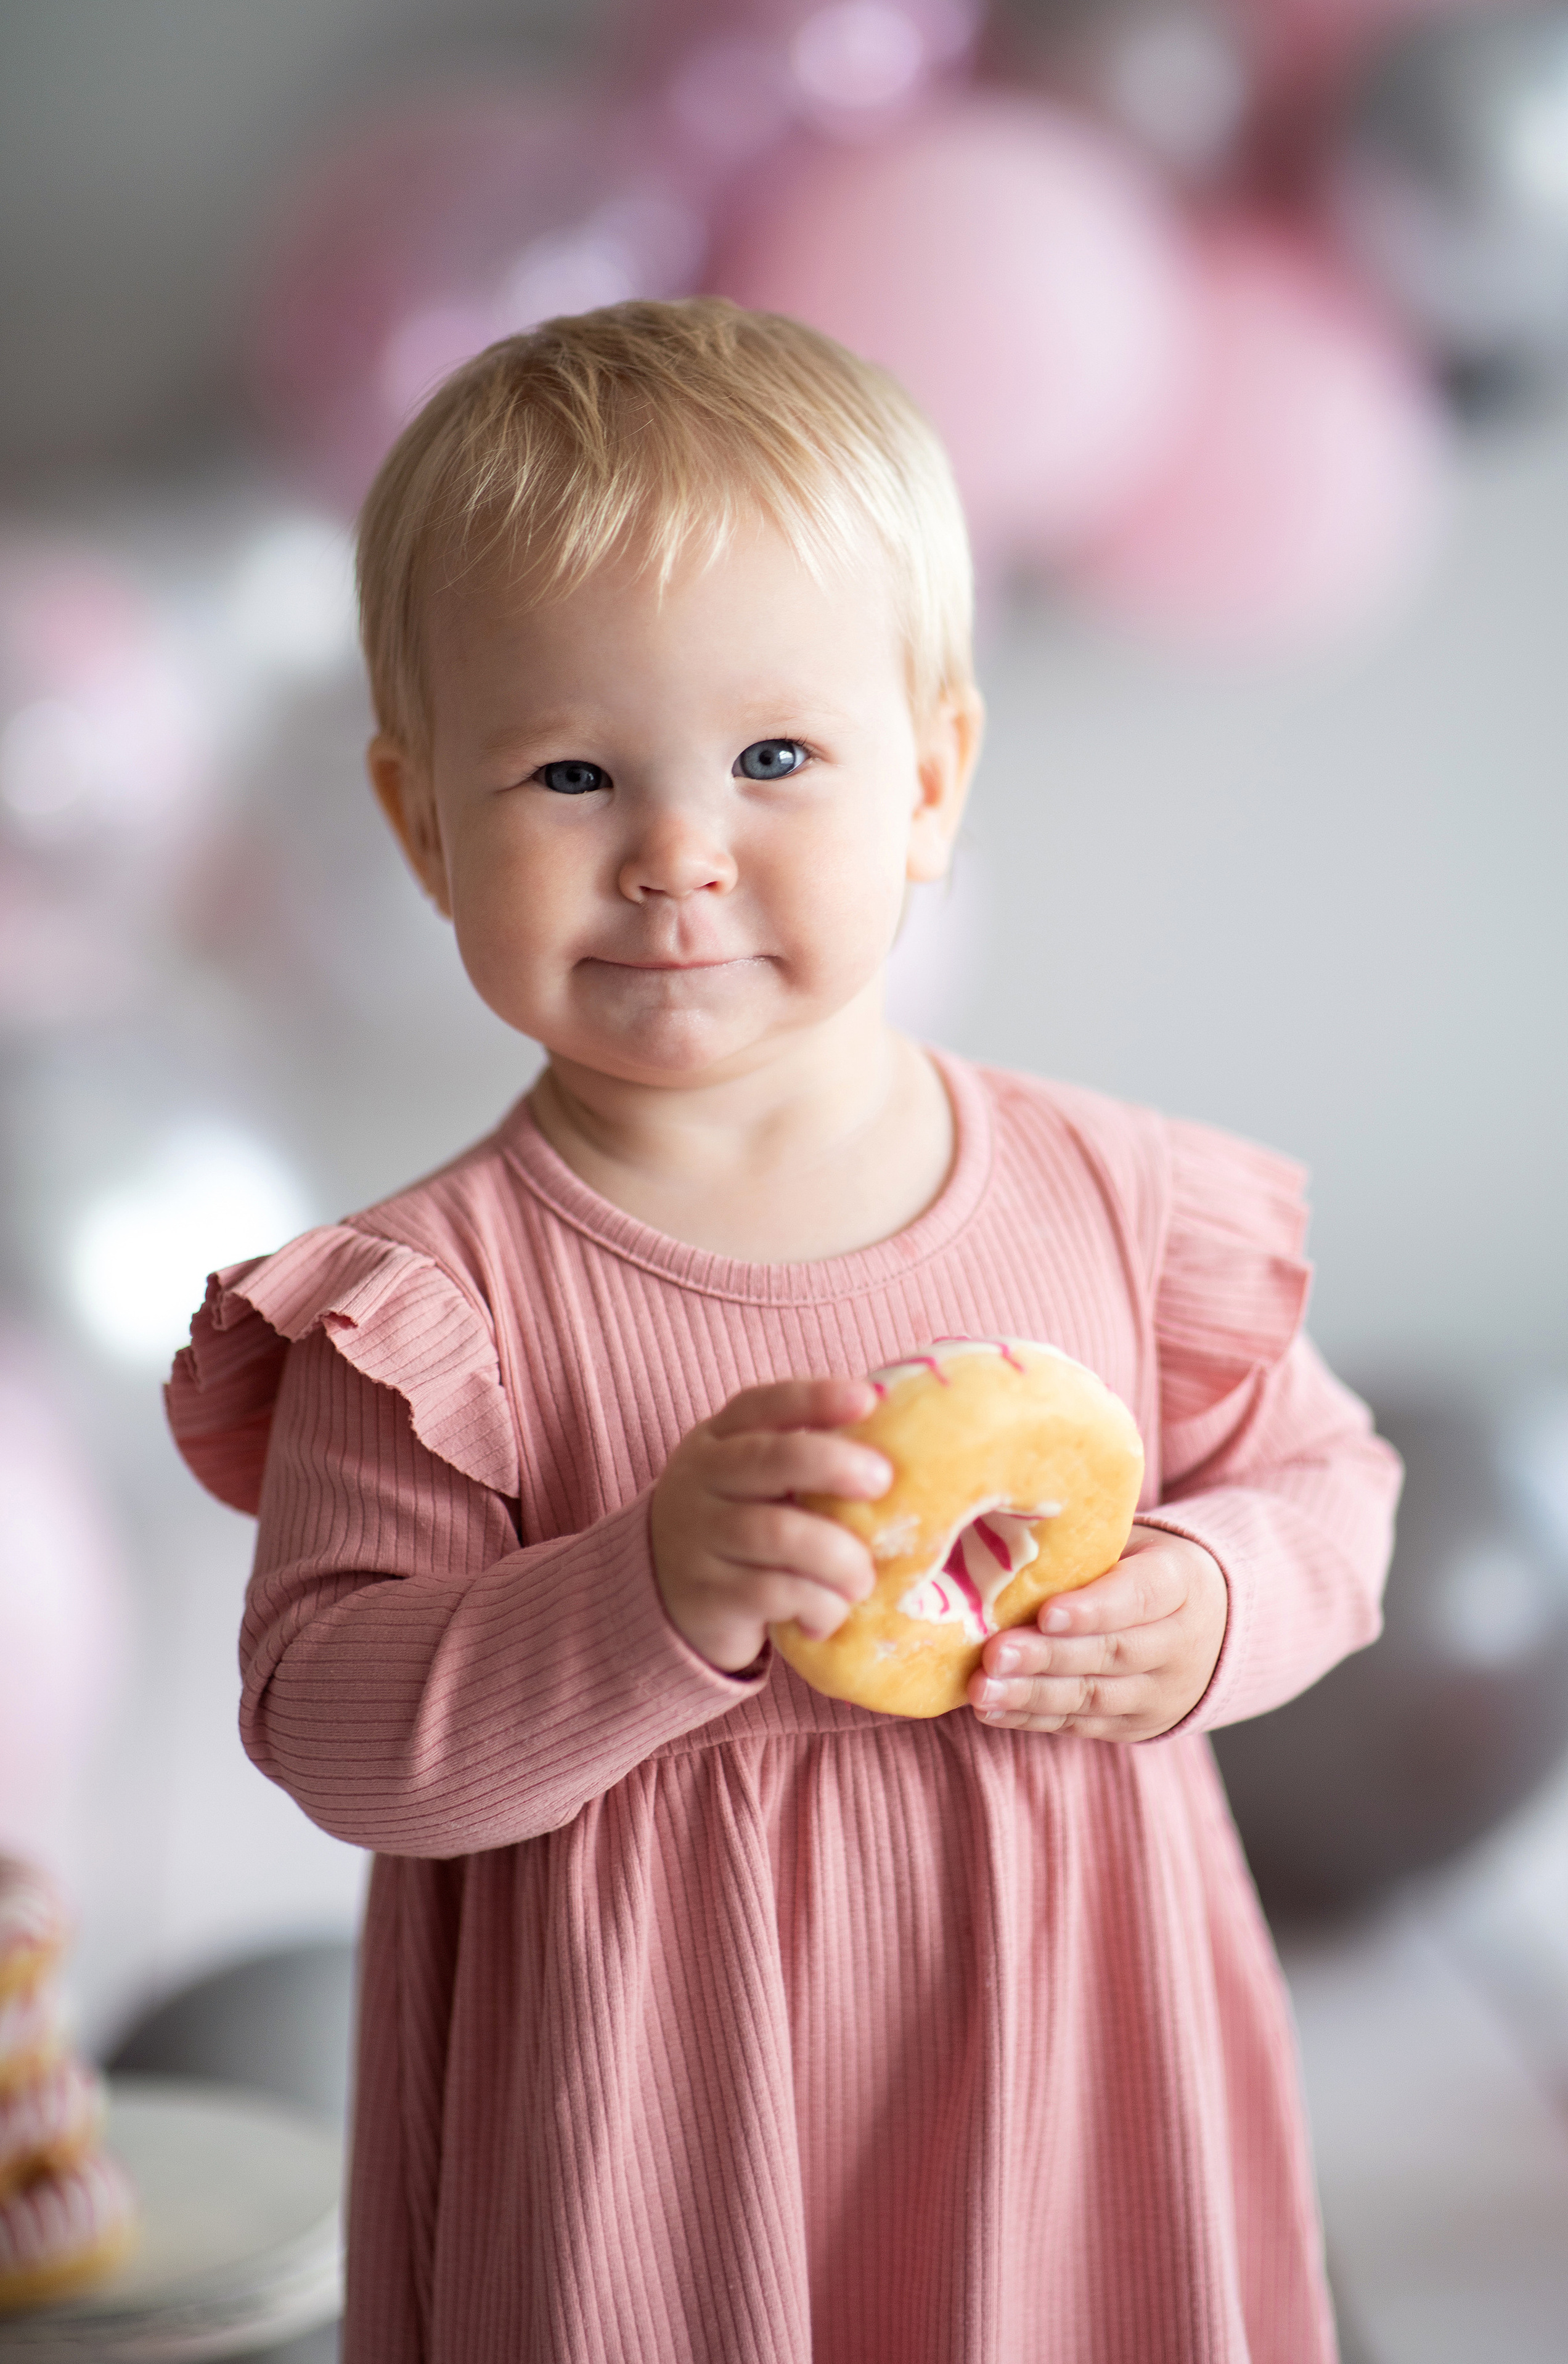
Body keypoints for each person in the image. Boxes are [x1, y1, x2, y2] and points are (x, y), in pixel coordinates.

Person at [166, 299, 1400, 2364]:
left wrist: (1211, 1594)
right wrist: (642, 1590)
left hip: (1063, 2053)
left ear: (928, 782)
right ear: (420, 826)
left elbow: (1332, 1490)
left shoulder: (1112, 1198)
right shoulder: (434, 1305)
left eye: (772, 758)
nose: (674, 853)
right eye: (571, 770)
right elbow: (332, 1721)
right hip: (649, 2116)